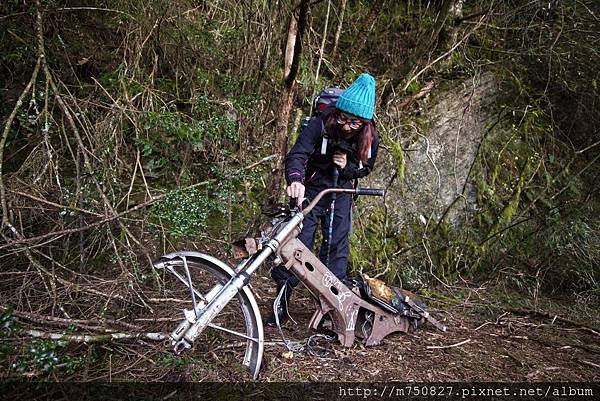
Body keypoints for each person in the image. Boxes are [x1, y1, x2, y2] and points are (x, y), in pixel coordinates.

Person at [267, 73, 380, 327]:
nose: (347, 126)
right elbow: (297, 155)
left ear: (365, 122)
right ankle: (280, 305)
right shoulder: (320, 123)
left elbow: (366, 167)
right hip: (312, 187)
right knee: (297, 245)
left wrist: (349, 166)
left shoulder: (370, 137)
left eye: (355, 122)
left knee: (336, 249)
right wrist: (295, 180)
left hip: (342, 191)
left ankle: (331, 312)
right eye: (343, 119)